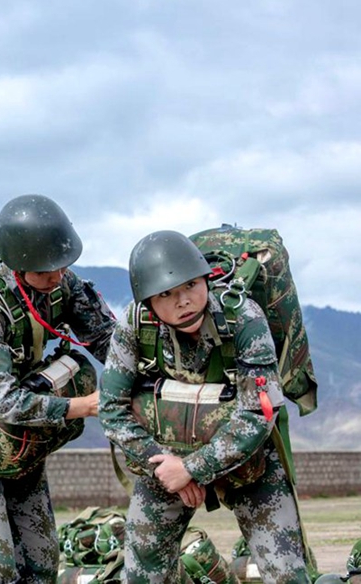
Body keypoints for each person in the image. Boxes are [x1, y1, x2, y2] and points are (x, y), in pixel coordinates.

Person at [98, 230, 311, 584]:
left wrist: (193, 468)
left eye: (191, 286)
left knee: (287, 572)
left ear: (206, 280)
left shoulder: (244, 318)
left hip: (247, 461)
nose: (183, 301)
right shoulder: (135, 326)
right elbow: (112, 409)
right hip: (164, 459)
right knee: (141, 572)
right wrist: (166, 468)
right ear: (147, 301)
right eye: (165, 294)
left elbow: (259, 412)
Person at [0, 194, 116, 583]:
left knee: (42, 566)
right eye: (47, 269)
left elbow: (106, 340)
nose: (57, 276)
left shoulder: (59, 281)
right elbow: (5, 402)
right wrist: (85, 406)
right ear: (19, 264)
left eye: (62, 265)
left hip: (21, 441)